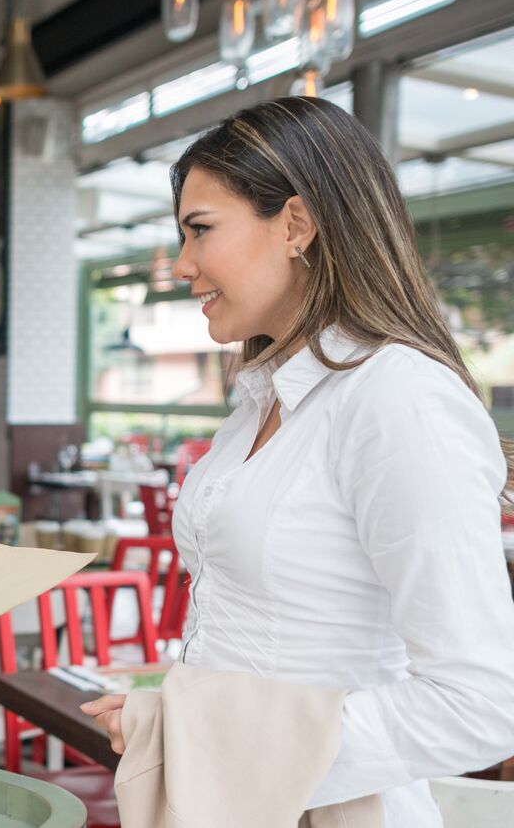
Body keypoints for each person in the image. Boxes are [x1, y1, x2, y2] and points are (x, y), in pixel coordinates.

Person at [81, 98, 514, 825]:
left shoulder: (397, 397)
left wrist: (204, 741)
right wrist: (188, 728)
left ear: (297, 225)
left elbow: (482, 701)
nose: (183, 264)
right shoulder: (257, 400)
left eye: (201, 230)